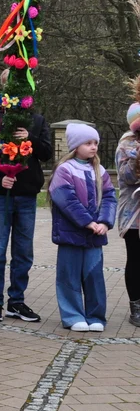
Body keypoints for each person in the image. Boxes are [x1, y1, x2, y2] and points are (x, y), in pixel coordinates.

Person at [0, 70, 54, 324]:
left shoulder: (37, 121)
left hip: (28, 196)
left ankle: (16, 301)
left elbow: (46, 153)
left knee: (23, 253)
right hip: (0, 196)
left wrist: (30, 138)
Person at [49, 124, 116, 332]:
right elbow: (66, 200)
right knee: (69, 276)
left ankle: (96, 316)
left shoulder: (100, 171)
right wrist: (87, 222)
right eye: (88, 143)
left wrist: (104, 221)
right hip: (71, 234)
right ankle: (72, 315)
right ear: (76, 146)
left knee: (94, 275)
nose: (93, 147)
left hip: (95, 235)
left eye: (95, 143)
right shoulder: (64, 170)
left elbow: (109, 197)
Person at [115, 102, 140, 327]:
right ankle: (136, 306)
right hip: (134, 213)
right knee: (136, 259)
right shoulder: (127, 143)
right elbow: (128, 178)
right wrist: (137, 157)